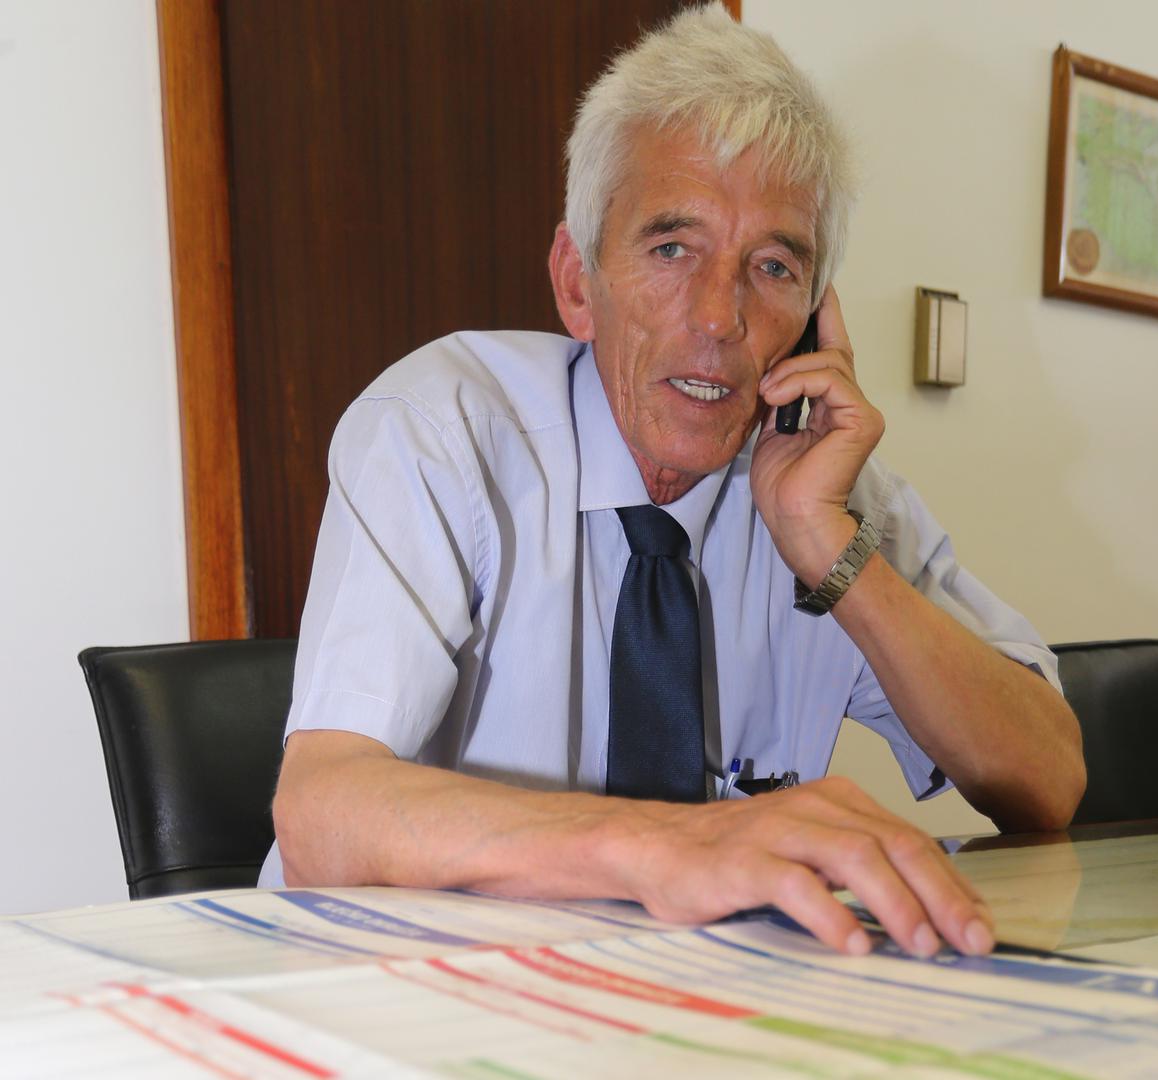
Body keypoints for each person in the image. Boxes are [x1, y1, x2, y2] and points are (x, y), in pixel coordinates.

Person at [263, 4, 1083, 960]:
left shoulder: (831, 495)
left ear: (811, 323)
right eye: (670, 249)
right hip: (396, 988)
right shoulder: (443, 430)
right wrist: (668, 846)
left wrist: (829, 547)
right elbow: (320, 812)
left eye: (771, 267)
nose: (718, 316)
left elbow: (1046, 781)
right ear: (578, 283)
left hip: (697, 997)